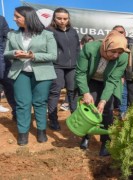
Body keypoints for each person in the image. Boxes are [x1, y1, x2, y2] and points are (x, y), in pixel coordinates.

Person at [4, 6, 57, 145]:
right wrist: (15, 53)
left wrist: (32, 55)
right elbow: (6, 53)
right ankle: (23, 133)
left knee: (40, 103)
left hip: (43, 73)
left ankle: (41, 131)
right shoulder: (12, 34)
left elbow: (53, 55)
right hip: (20, 72)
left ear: (27, 17)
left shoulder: (47, 35)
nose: (14, 19)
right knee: (22, 103)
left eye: (17, 17)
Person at [76, 30, 129, 156]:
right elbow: (80, 72)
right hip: (92, 79)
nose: (116, 55)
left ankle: (105, 142)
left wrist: (104, 100)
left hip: (107, 82)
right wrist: (85, 92)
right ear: (105, 45)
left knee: (107, 111)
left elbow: (112, 80)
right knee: (90, 108)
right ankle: (86, 136)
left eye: (119, 52)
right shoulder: (90, 48)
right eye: (113, 51)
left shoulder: (123, 57)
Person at [47, 8, 80, 131]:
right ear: (54, 18)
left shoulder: (73, 32)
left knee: (72, 92)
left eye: (65, 18)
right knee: (55, 92)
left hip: (73, 67)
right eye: (59, 18)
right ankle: (53, 119)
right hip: (56, 66)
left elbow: (77, 48)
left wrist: (78, 63)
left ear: (68, 19)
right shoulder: (49, 31)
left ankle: (75, 119)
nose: (62, 21)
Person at [60, 34, 94, 112]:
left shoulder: (90, 51)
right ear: (83, 43)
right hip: (74, 71)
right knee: (72, 89)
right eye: (89, 44)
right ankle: (67, 105)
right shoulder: (76, 50)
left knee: (76, 90)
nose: (91, 46)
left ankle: (67, 104)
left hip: (83, 73)